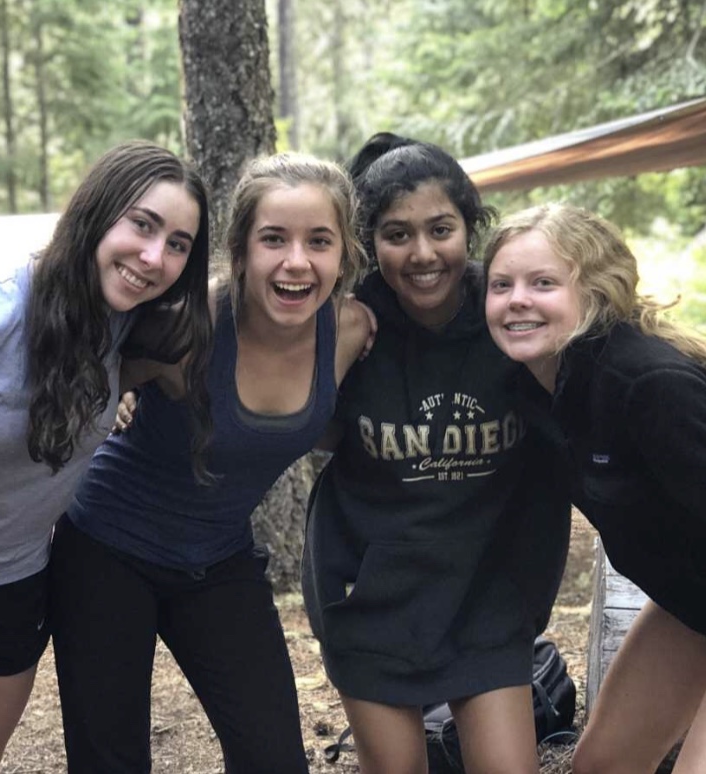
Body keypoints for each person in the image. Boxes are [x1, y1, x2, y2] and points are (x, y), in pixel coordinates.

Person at [49, 152, 373, 774]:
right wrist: (113, 404)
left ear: (343, 254)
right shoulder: (183, 326)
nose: (296, 261)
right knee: (108, 760)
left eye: (319, 241)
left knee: (274, 758)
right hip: (106, 552)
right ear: (241, 248)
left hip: (218, 559)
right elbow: (77, 372)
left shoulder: (352, 330)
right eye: (273, 239)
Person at [301, 133, 571, 774]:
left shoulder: (510, 312)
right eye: (397, 235)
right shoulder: (353, 323)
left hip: (485, 594)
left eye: (441, 229)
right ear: (371, 245)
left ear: (469, 230)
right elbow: (310, 433)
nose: (422, 254)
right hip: (371, 597)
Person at [0, 139, 212, 774]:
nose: (154, 257)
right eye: (142, 224)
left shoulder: (137, 327)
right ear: (97, 211)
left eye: (179, 244)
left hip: (10, 586)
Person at [484, 202, 706, 774]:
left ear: (596, 292)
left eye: (543, 283)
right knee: (603, 767)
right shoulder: (534, 390)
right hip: (690, 601)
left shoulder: (648, 385)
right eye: (501, 284)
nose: (517, 299)